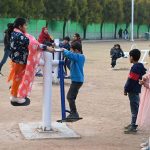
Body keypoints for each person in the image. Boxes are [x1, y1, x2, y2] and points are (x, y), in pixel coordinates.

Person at [8, 18, 54, 106]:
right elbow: (33, 44)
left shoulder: (15, 33)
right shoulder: (20, 36)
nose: (27, 27)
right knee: (20, 79)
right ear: (20, 26)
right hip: (20, 62)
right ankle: (19, 98)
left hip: (16, 61)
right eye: (25, 25)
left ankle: (14, 97)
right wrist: (47, 48)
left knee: (17, 79)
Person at [124, 49, 146, 134]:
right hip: (135, 90)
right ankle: (133, 123)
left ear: (132, 57)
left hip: (133, 90)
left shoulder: (135, 67)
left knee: (134, 109)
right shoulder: (139, 66)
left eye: (129, 57)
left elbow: (131, 81)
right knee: (134, 107)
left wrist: (126, 89)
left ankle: (134, 126)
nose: (129, 58)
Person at [62, 41, 85, 119]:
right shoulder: (76, 57)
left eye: (71, 49)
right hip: (76, 80)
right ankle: (73, 112)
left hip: (77, 81)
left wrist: (63, 50)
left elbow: (70, 55)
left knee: (69, 97)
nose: (70, 51)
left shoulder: (80, 57)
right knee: (71, 97)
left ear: (76, 50)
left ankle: (74, 113)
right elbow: (70, 56)